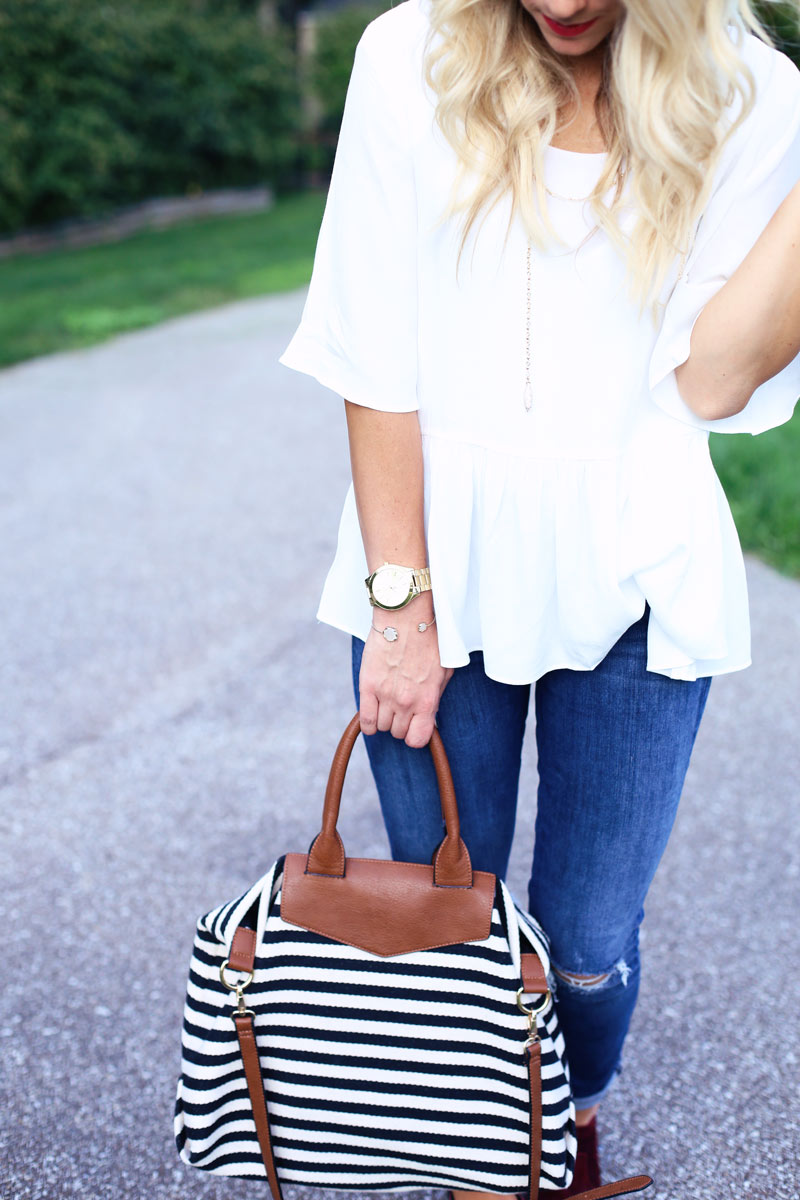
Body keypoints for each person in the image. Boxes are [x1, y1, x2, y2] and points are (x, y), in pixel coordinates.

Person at [279, 0, 800, 1193]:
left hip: (638, 559)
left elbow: (716, 378)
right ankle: (482, 1154)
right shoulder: (407, 51)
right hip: (431, 559)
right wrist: (400, 605)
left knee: (584, 945)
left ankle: (566, 1118)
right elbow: (373, 353)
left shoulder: (748, 90)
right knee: (450, 923)